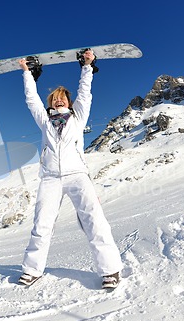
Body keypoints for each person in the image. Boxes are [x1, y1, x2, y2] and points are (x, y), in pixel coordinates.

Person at [17, 50, 123, 289]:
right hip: (51, 177)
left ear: (68, 101)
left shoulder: (78, 117)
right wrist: (27, 73)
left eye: (62, 97)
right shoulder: (44, 120)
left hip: (77, 175)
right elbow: (31, 100)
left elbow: (85, 93)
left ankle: (110, 271)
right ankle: (32, 270)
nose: (58, 100)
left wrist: (87, 66)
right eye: (54, 98)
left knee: (94, 219)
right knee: (41, 224)